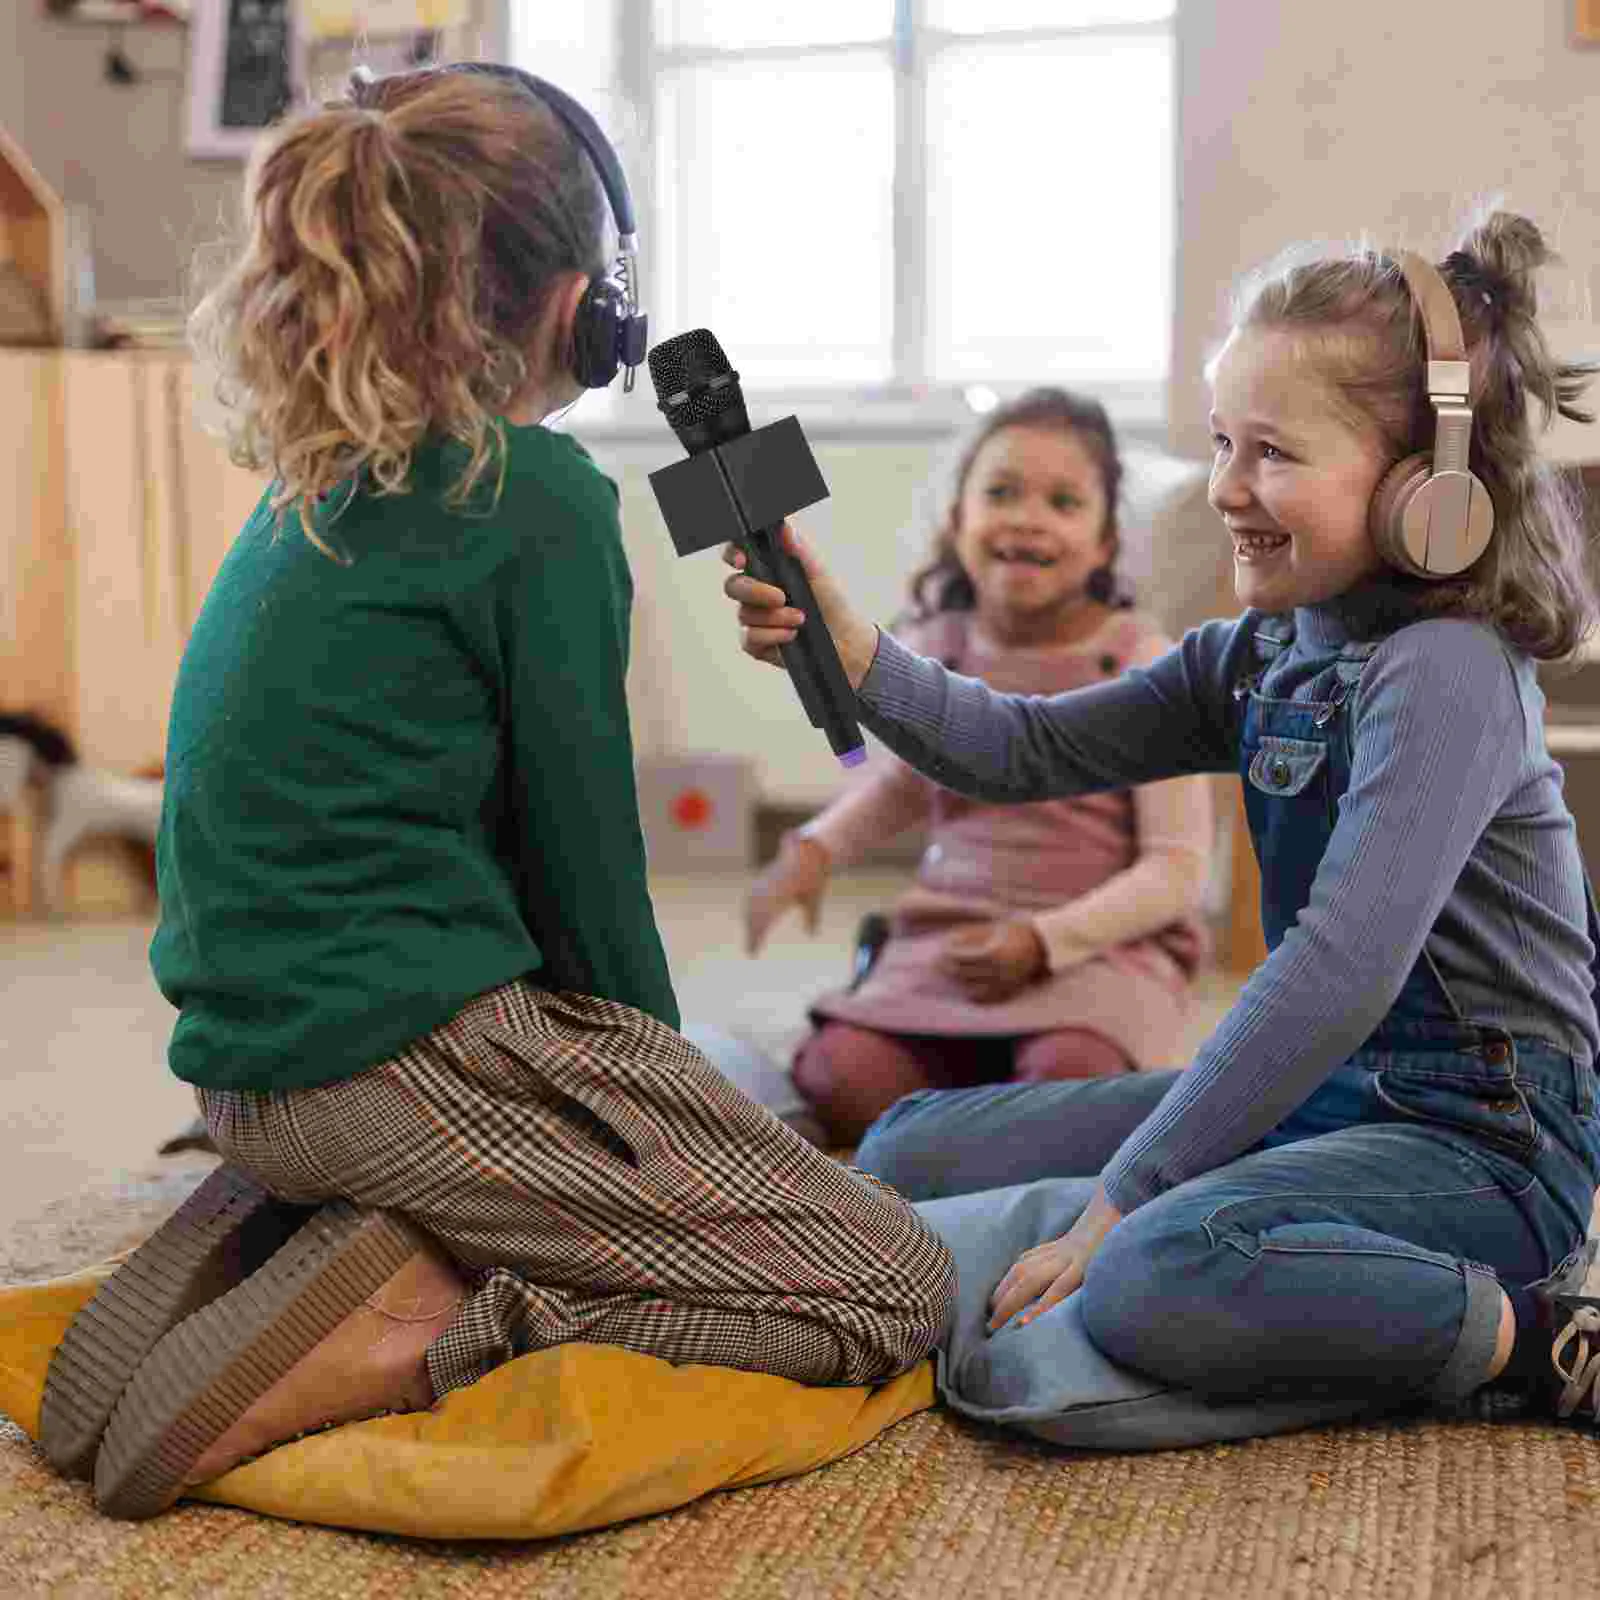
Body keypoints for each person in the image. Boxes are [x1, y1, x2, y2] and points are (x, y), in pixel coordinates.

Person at [42, 63, 953, 1520]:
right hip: (391, 1063)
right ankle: (430, 1307)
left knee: (732, 1163)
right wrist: (663, 1115)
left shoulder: (313, 482)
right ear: (586, 305)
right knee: (890, 1283)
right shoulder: (536, 498)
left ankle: (301, 1231)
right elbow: (587, 881)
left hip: (247, 1062)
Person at [722, 211, 1600, 1431]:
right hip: (1330, 1091)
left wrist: (1125, 1195)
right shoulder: (1254, 654)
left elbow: (1339, 965)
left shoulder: (1445, 668)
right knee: (912, 1145)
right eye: (1223, 442)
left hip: (1484, 1140)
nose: (1228, 486)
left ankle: (1535, 1337)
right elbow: (1018, 747)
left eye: (1274, 454)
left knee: (1154, 1266)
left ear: (1428, 489)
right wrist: (852, 645)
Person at [747, 390, 1212, 1146]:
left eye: (1063, 501)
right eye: (1001, 492)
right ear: (958, 521)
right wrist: (816, 848)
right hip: (953, 939)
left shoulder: (1141, 664)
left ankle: (981, 1115)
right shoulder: (941, 646)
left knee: (1074, 1079)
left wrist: (1042, 941)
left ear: (1103, 544)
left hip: (1096, 955)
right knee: (838, 1078)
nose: (1028, 516)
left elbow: (1175, 872)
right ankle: (974, 1109)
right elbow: (905, 781)